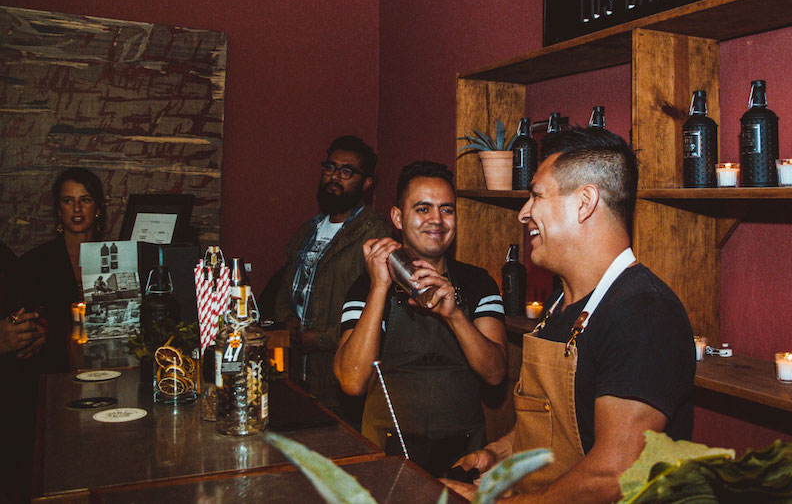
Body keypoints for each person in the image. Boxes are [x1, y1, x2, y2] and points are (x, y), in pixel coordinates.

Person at [450, 127, 696, 502]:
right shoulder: (558, 304)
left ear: (585, 202)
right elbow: (553, 424)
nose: (524, 213)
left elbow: (613, 475)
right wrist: (499, 454)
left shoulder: (645, 313)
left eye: (536, 195)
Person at [333, 161, 507, 476]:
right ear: (398, 217)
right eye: (423, 209)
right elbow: (352, 381)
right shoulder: (365, 287)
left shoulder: (478, 283)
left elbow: (495, 373)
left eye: (447, 210)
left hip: (465, 457)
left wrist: (455, 315)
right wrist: (379, 287)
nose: (436, 220)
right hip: (386, 457)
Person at [273, 135, 393, 424]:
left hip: (336, 379)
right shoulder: (308, 229)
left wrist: (321, 338)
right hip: (296, 371)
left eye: (347, 171)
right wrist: (285, 318)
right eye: (330, 167)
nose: (335, 176)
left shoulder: (375, 233)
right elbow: (285, 286)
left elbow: (377, 310)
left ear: (366, 183)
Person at [14, 167, 106, 374]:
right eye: (68, 201)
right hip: (53, 369)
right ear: (58, 210)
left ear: (98, 208)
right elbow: (15, 318)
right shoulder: (34, 263)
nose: (77, 209)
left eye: (85, 200)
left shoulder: (114, 258)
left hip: (107, 365)